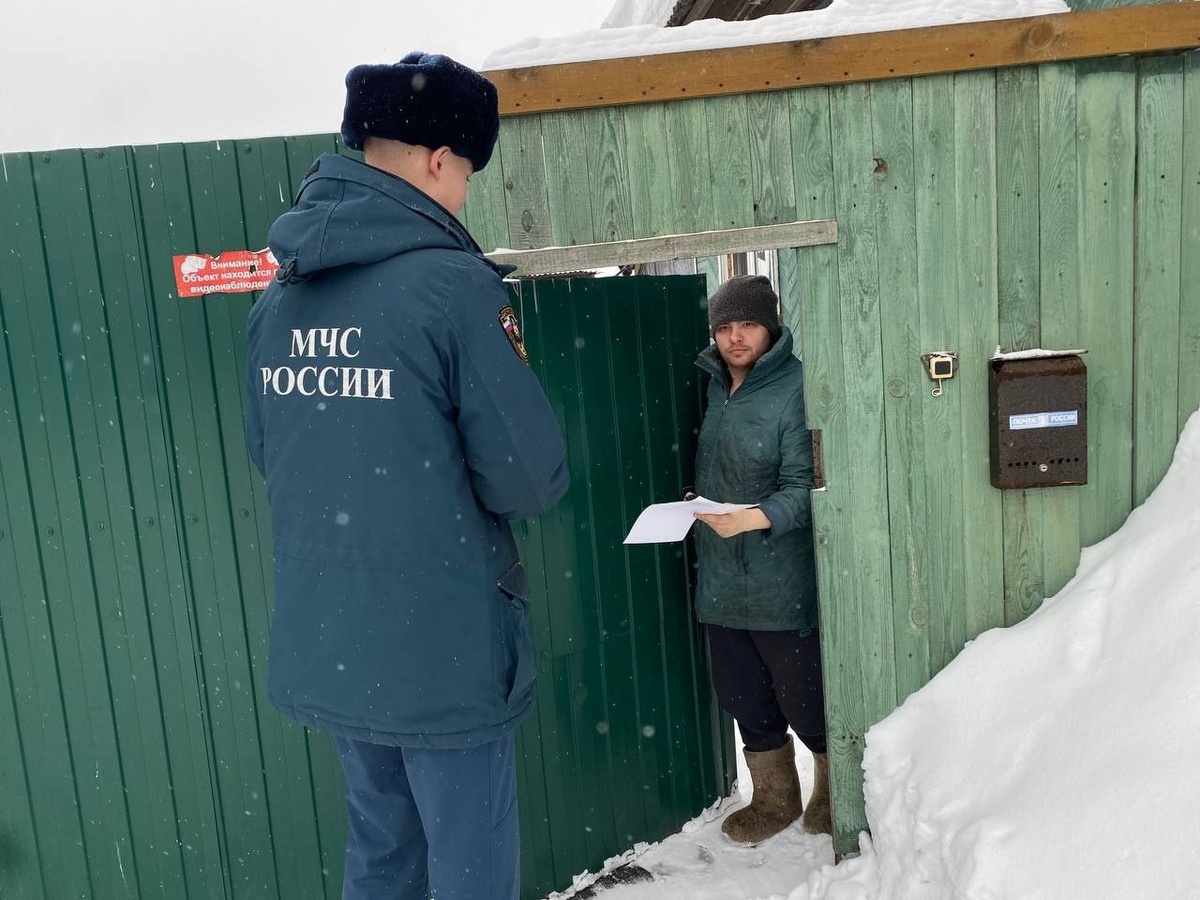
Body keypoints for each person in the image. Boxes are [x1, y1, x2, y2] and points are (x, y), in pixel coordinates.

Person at [243, 52, 569, 900]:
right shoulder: (453, 289)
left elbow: (271, 454)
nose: (463, 194)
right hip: (442, 648)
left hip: (337, 641)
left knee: (382, 853)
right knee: (470, 867)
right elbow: (529, 480)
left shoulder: (279, 298)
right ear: (438, 161)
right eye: (465, 174)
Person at [689, 274, 830, 844]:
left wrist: (750, 518)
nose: (735, 337)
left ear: (770, 327)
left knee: (805, 697)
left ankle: (834, 790)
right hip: (721, 577)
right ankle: (774, 798)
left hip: (778, 578)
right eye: (724, 326)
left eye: (747, 324)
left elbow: (806, 487)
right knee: (743, 694)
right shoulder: (712, 384)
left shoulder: (795, 386)